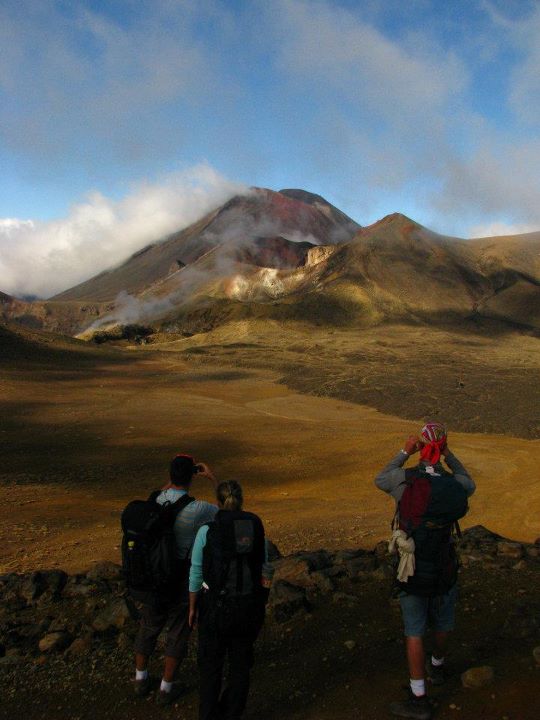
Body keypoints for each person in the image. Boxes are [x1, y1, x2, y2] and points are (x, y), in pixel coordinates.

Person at [375, 422, 475, 720]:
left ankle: (419, 698)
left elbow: (380, 478)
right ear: (441, 447)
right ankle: (438, 665)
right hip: (444, 564)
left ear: (421, 448)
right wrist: (449, 455)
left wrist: (405, 450)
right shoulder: (454, 486)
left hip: (414, 568)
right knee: (443, 620)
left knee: (414, 630)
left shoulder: (404, 481)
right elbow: (469, 482)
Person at [132, 454, 218, 705]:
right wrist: (211, 477)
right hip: (180, 580)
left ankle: (140, 678)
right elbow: (225, 511)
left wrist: (171, 480)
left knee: (148, 625)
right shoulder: (197, 509)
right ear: (192, 477)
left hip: (154, 579)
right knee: (179, 632)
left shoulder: (156, 501)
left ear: (170, 476)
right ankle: (166, 688)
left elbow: (162, 493)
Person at [188, 480, 273, 720]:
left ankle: (208, 714)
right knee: (241, 666)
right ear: (241, 500)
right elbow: (265, 568)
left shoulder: (208, 530)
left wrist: (193, 606)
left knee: (211, 668)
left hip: (215, 608)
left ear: (217, 502)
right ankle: (231, 713)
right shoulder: (255, 525)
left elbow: (196, 572)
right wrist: (261, 601)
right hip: (247, 607)